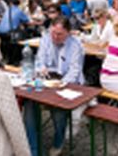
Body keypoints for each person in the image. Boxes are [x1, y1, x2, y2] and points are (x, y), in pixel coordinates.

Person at [24, 17, 84, 156]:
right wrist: (41, 68)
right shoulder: (46, 39)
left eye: (59, 34)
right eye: (53, 33)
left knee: (59, 109)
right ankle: (33, 150)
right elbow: (39, 60)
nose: (55, 37)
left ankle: (58, 141)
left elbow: (75, 71)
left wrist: (61, 84)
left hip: (67, 81)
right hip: (46, 79)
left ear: (68, 33)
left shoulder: (76, 45)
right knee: (30, 103)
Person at [0, 0, 30, 64]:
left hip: (0, 32)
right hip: (9, 33)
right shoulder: (19, 11)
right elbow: (27, 21)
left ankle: (6, 58)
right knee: (23, 36)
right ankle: (16, 59)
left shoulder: (8, 10)